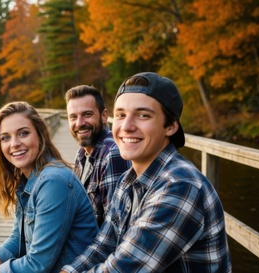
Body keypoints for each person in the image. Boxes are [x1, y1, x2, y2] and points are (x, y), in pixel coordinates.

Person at [61, 72, 232, 272]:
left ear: (170, 127)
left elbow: (124, 268)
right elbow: (104, 244)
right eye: (121, 115)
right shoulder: (128, 180)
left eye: (143, 115)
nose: (126, 127)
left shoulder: (180, 185)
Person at [0, 101, 98, 273]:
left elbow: (37, 265)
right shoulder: (28, 178)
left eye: (23, 133)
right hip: (47, 263)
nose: (14, 143)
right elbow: (18, 237)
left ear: (40, 135)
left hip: (64, 268)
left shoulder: (53, 182)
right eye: (5, 137)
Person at [65, 85, 129, 226]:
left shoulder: (113, 154)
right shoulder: (82, 153)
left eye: (87, 114)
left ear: (104, 116)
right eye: (73, 117)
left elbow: (114, 226)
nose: (79, 123)